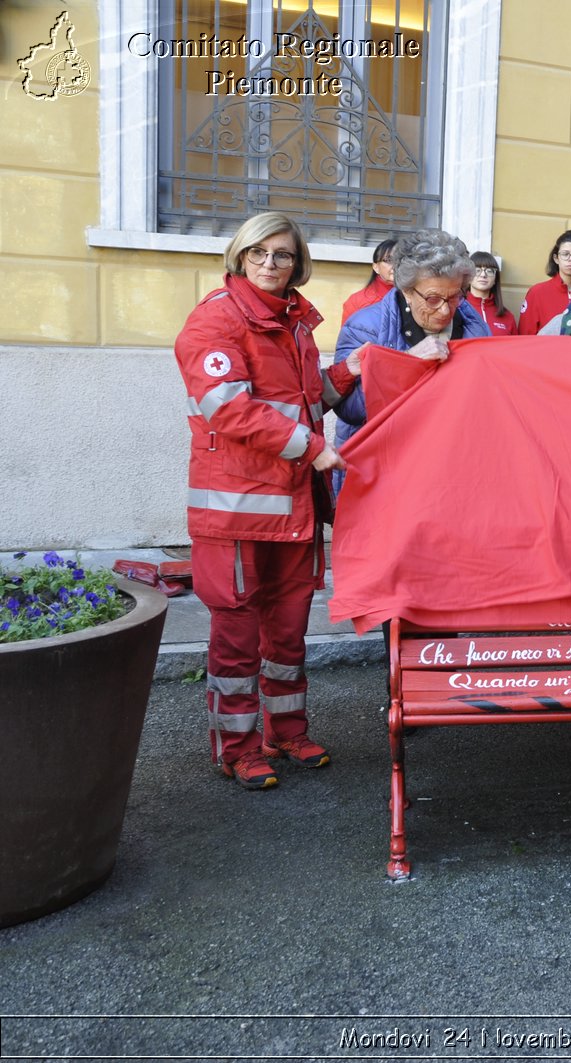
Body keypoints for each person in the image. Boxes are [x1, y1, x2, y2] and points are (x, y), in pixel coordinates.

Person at [175, 213, 365, 789]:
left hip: (292, 508)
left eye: (282, 254)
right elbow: (228, 409)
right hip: (235, 513)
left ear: (297, 262)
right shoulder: (216, 320)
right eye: (258, 252)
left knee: (286, 635)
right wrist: (312, 449)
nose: (269, 263)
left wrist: (349, 371)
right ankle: (236, 747)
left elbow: (308, 403)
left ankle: (288, 731)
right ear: (239, 255)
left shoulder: (295, 325)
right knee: (235, 641)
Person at [332, 229, 491, 500]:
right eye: (432, 299)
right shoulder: (365, 327)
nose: (444, 310)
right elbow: (350, 410)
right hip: (384, 472)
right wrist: (407, 365)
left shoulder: (475, 327)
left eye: (454, 297)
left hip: (447, 470)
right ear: (406, 291)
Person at [517, 230, 571, 335]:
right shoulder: (537, 292)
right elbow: (525, 335)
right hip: (545, 350)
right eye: (565, 254)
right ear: (556, 258)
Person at [341, 238, 396, 324]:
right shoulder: (357, 301)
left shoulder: (416, 297)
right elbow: (348, 335)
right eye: (388, 260)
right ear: (376, 267)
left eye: (400, 260)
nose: (395, 265)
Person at [466, 252, 517, 335]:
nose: (483, 275)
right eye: (477, 270)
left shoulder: (507, 316)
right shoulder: (458, 310)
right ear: (468, 276)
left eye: (489, 271)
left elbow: (515, 347)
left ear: (495, 279)